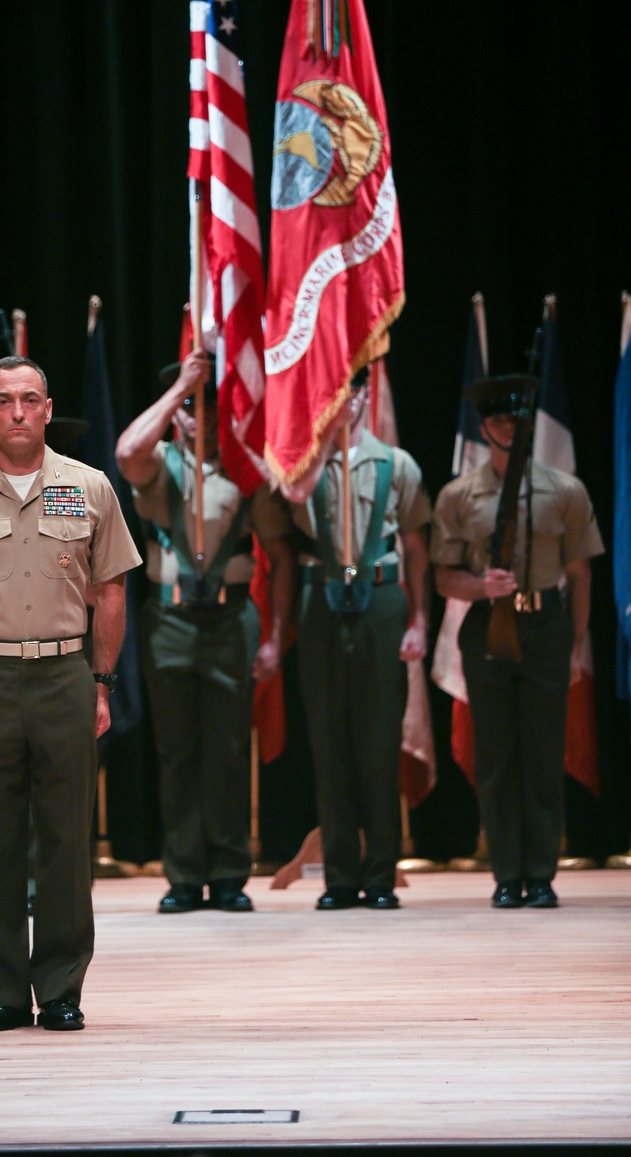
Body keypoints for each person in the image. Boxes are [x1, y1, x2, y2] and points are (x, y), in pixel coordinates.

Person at [0, 356, 141, 1031]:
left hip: (64, 672)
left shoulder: (89, 487)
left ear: (47, 409)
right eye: (4, 400)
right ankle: (5, 992)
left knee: (68, 839)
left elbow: (110, 591)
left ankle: (62, 988)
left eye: (30, 399)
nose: (18, 411)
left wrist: (100, 681)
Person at [258, 368, 431, 909]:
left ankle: (380, 874)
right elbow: (286, 511)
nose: (348, 401)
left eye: (354, 391)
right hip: (322, 600)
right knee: (329, 740)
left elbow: (416, 545)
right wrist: (318, 446)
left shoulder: (396, 464)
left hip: (380, 599)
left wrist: (420, 619)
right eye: (336, 391)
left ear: (365, 394)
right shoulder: (300, 465)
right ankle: (339, 877)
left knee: (378, 737)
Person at [430, 374, 604, 908]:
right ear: (486, 428)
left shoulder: (565, 490)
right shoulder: (459, 495)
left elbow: (579, 575)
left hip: (545, 625)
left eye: (519, 420)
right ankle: (507, 874)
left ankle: (542, 875)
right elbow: (443, 578)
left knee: (544, 755)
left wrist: (574, 642)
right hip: (488, 628)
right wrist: (481, 587)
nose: (512, 429)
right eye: (502, 421)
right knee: (499, 756)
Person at [116, 348, 279, 914]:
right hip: (173, 621)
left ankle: (231, 873)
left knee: (229, 751)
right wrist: (180, 385)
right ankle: (184, 875)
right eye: (187, 409)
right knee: (179, 751)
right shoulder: (161, 464)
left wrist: (276, 632)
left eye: (204, 406)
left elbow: (277, 555)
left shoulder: (242, 465)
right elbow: (127, 451)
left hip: (232, 618)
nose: (195, 417)